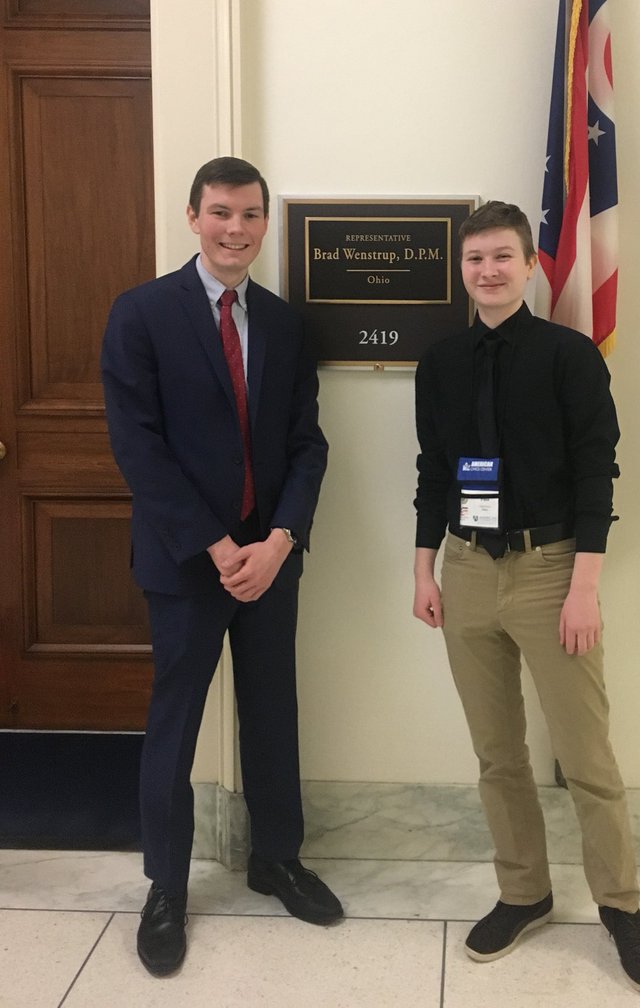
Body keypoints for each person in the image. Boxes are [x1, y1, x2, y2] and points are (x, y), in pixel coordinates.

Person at [412, 201, 640, 994]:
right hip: (467, 569)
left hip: (553, 569)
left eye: (502, 257)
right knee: (498, 754)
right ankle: (524, 891)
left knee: (586, 756)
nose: (488, 271)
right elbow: (433, 471)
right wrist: (423, 570)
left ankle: (620, 906)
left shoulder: (569, 356)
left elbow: (597, 471)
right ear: (461, 269)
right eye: (475, 258)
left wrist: (584, 587)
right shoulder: (441, 362)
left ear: (531, 265)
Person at [102, 156, 341, 977]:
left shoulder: (283, 323)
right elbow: (139, 448)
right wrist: (216, 545)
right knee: (176, 723)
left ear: (265, 222)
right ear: (193, 217)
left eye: (248, 214)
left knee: (273, 710)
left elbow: (307, 445)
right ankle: (166, 886)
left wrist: (279, 541)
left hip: (269, 559)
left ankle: (276, 858)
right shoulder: (141, 314)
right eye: (219, 212)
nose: (234, 229)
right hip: (186, 560)